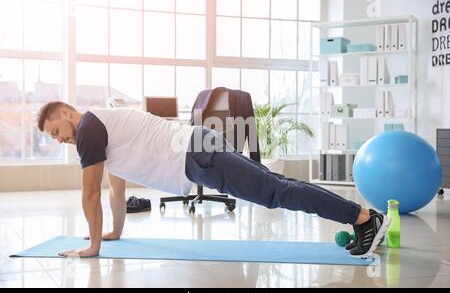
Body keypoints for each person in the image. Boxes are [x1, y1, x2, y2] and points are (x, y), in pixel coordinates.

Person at [37, 101, 390, 259]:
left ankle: (363, 219)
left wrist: (94, 246)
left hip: (195, 153)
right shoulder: (99, 129)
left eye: (56, 131)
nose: (60, 140)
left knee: (274, 192)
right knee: (277, 185)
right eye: (54, 138)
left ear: (67, 114)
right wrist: (114, 232)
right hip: (197, 145)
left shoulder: (88, 128)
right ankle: (361, 217)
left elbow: (88, 194)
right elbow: (115, 189)